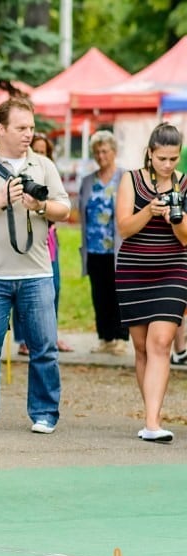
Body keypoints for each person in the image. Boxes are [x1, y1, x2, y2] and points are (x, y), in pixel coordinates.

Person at [0, 97, 71, 434]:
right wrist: (1, 198)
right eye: (21, 128)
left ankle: (45, 413)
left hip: (36, 273)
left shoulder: (44, 165)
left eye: (31, 127)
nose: (28, 134)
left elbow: (64, 209)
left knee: (44, 348)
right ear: (1, 128)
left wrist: (41, 205)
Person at [114, 122, 187, 443]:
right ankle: (150, 415)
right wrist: (149, 210)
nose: (168, 165)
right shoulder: (130, 179)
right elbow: (124, 228)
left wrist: (176, 215)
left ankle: (153, 423)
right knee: (142, 348)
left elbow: (186, 239)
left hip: (173, 268)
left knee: (161, 343)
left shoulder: (185, 184)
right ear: (150, 154)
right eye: (162, 159)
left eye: (173, 159)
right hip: (134, 270)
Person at [14, 134, 74, 355]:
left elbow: (62, 208)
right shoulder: (22, 173)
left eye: (43, 151)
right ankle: (23, 339)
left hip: (49, 236)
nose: (40, 155)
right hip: (24, 237)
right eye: (35, 150)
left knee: (53, 286)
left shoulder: (50, 173)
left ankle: (51, 333)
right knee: (21, 288)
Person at [78, 130, 128, 356]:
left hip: (118, 248)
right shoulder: (88, 181)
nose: (100, 155)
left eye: (104, 151)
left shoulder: (125, 178)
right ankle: (105, 337)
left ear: (114, 152)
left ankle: (120, 338)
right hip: (95, 247)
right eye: (97, 152)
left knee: (119, 293)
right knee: (99, 294)